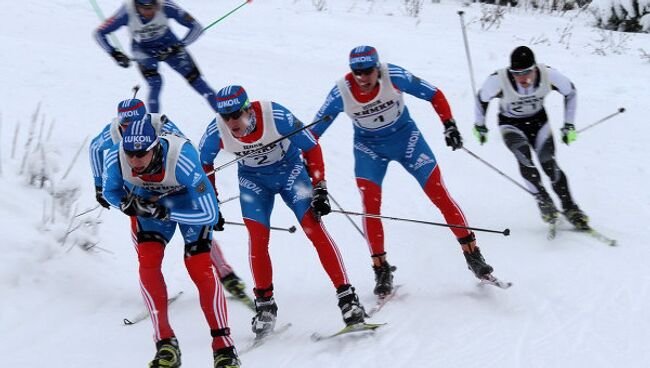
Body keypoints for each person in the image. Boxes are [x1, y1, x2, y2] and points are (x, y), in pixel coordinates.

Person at [311, 45, 496, 296]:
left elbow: (435, 94)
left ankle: (473, 254)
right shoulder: (340, 93)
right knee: (371, 208)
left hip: (407, 140)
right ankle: (381, 269)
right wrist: (310, 173)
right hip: (369, 150)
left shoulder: (394, 76)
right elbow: (312, 135)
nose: (363, 78)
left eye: (368, 71)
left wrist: (449, 125)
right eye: (357, 73)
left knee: (439, 194)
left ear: (377, 68)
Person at [198, 85, 366, 338]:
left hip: (290, 172)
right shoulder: (216, 130)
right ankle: (265, 306)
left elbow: (311, 145)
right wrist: (212, 203)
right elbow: (204, 164)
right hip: (253, 182)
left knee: (314, 227)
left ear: (248, 110)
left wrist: (320, 187)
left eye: (236, 114)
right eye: (225, 116)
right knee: (257, 238)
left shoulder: (275, 115)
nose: (231, 121)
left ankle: (347, 298)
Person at [102, 118, 240, 367]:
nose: (134, 161)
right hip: (150, 202)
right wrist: (126, 204)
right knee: (148, 262)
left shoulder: (182, 157)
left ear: (155, 147)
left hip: (187, 205)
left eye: (141, 154)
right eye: (130, 153)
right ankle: (165, 344)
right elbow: (110, 192)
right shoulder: (116, 157)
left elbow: (209, 214)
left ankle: (224, 347)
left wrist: (163, 213)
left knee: (199, 268)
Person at [89, 98, 252, 306]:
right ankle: (151, 282)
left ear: (146, 119)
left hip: (170, 182)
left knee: (197, 228)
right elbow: (95, 148)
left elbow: (187, 151)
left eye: (135, 124)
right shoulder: (113, 131)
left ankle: (225, 273)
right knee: (140, 230)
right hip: (136, 186)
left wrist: (210, 202)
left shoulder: (161, 124)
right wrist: (99, 186)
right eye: (124, 127)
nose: (130, 130)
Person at [472, 45, 589, 230]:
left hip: (539, 122)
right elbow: (481, 99)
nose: (523, 78)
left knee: (548, 163)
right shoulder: (498, 80)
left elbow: (571, 91)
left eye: (527, 72)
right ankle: (544, 202)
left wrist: (569, 124)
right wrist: (480, 126)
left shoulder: (548, 75)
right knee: (526, 161)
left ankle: (571, 208)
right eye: (517, 73)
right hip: (510, 125)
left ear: (535, 68)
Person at [94, 0, 220, 113]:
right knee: (155, 84)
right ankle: (154, 125)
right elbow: (99, 33)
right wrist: (115, 53)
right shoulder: (126, 12)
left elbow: (197, 27)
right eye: (144, 7)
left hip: (169, 44)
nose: (149, 11)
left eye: (153, 6)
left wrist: (180, 45)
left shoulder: (166, 5)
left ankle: (226, 117)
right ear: (136, 5)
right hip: (143, 50)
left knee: (197, 82)